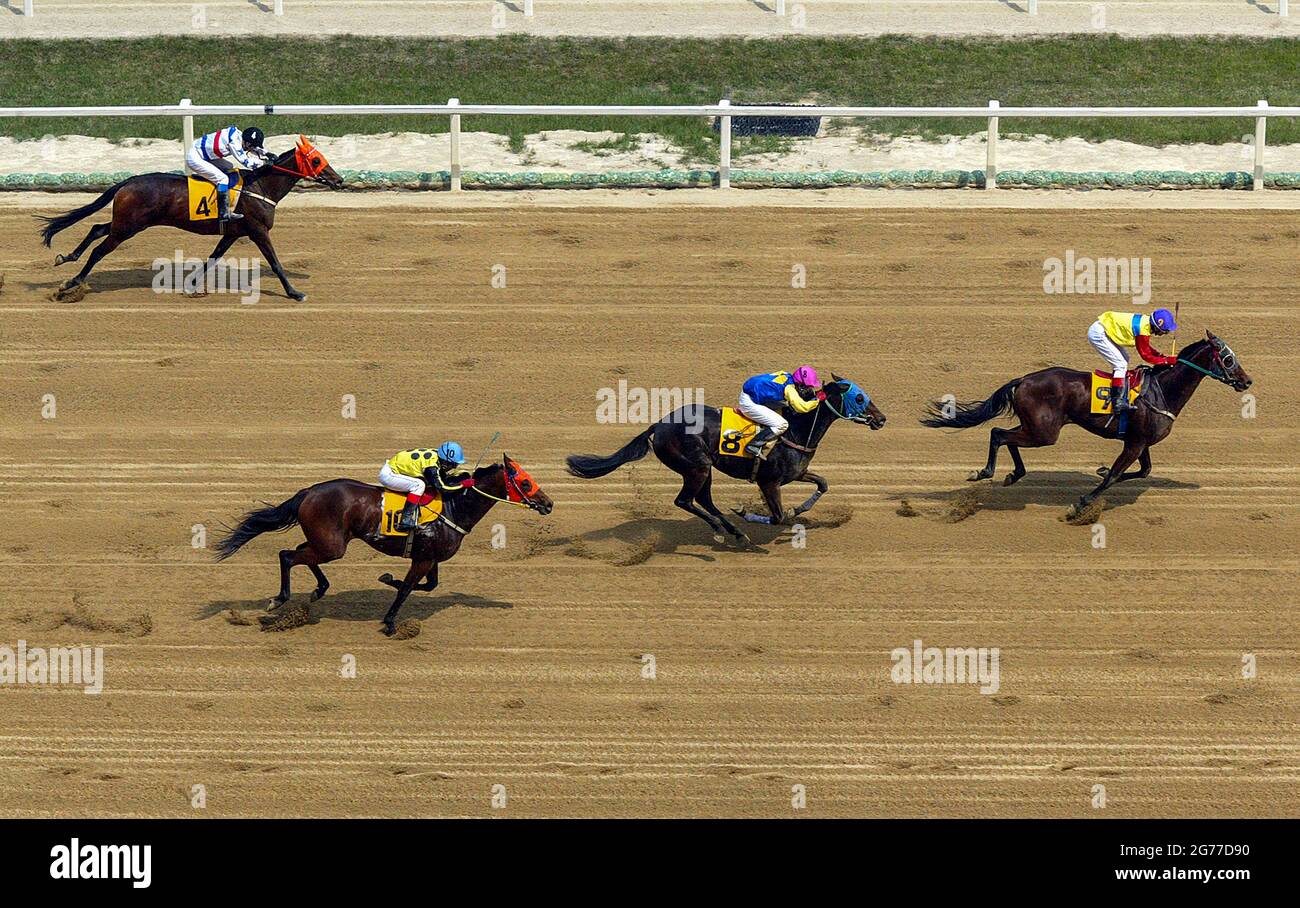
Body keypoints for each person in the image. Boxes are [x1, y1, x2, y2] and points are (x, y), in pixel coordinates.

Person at [1087, 309, 1178, 413]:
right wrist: (1167, 361)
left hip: (1104, 330)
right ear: (1158, 325)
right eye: (1165, 330)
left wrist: (1159, 355)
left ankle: (1118, 384)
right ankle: (1117, 401)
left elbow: (1146, 348)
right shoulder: (1142, 329)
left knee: (1125, 358)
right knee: (1120, 364)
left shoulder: (1145, 324)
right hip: (1099, 334)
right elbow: (1145, 355)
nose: (1165, 333)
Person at [379, 442, 475, 531]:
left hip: (398, 467)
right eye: (453, 464)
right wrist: (463, 484)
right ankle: (405, 520)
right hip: (389, 475)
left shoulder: (438, 456)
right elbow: (443, 489)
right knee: (419, 485)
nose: (454, 467)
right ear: (445, 462)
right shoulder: (431, 468)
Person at [185, 126, 270, 223]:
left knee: (229, 166)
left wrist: (267, 154)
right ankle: (223, 212)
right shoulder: (234, 143)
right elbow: (247, 163)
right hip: (195, 158)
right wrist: (264, 163)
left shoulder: (239, 136)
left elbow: (254, 147)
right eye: (250, 146)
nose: (250, 149)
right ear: (246, 142)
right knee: (223, 179)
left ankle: (221, 194)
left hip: (205, 155)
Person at [737, 366, 824, 458]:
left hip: (752, 393)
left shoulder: (786, 375)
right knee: (782, 424)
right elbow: (802, 407)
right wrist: (816, 399)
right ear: (800, 384)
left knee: (787, 408)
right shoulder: (789, 389)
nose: (808, 389)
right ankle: (754, 445)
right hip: (749, 402)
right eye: (807, 387)